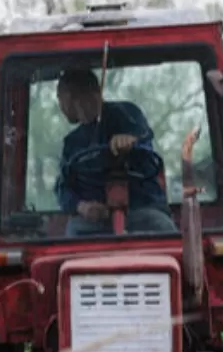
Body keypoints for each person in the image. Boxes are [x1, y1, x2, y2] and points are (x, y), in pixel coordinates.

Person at [53, 68, 177, 237]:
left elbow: (143, 137)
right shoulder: (72, 143)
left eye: (61, 98)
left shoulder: (126, 114)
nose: (61, 105)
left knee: (163, 227)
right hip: (95, 222)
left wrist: (129, 139)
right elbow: (63, 187)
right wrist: (82, 207)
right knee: (74, 232)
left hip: (141, 210)